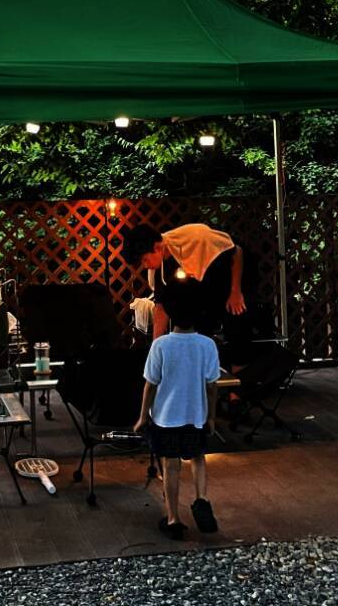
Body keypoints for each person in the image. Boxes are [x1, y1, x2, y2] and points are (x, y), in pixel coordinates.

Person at [133, 294, 220, 539]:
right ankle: (201, 499)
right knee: (198, 458)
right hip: (196, 415)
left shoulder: (161, 345)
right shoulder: (207, 345)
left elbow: (150, 385)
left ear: (171, 315)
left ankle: (173, 519)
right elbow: (212, 386)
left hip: (166, 416)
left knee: (170, 465)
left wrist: (142, 417)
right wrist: (211, 416)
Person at [123, 223, 253, 359]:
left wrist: (235, 291)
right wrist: (156, 347)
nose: (145, 266)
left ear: (157, 247)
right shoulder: (160, 267)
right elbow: (160, 307)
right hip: (205, 289)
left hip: (234, 274)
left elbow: (236, 252)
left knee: (237, 329)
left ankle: (240, 368)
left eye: (145, 260)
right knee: (195, 326)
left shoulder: (197, 238)